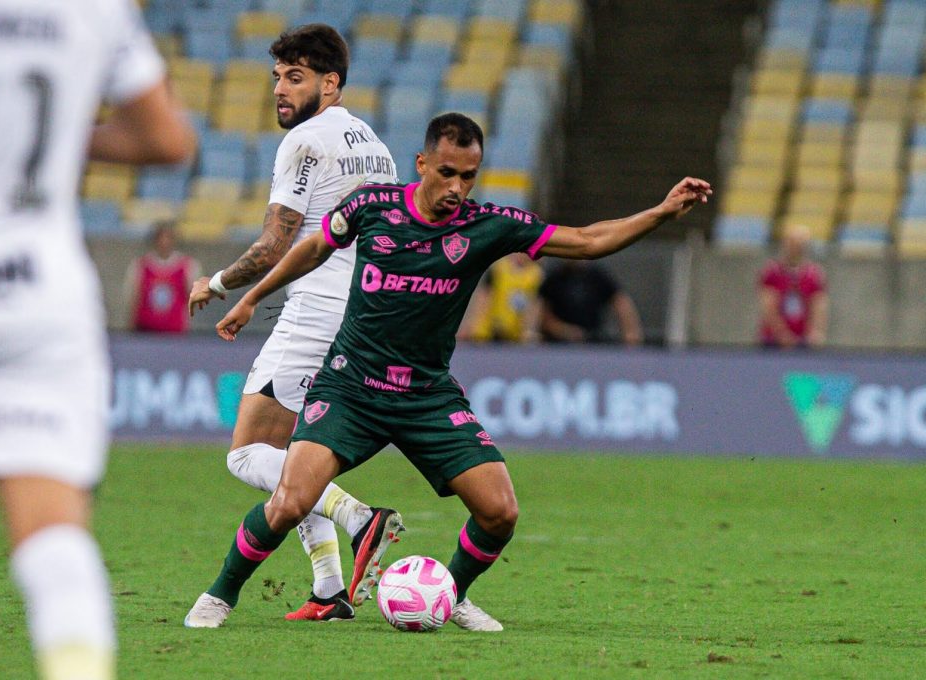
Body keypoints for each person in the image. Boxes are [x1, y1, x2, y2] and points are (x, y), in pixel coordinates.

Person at [210, 113, 711, 631]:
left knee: (501, 512)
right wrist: (251, 297)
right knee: (292, 501)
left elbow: (585, 240)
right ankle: (219, 596)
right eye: (446, 172)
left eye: (468, 176)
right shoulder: (372, 205)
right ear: (422, 163)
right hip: (351, 386)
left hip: (427, 395)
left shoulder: (487, 226)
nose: (456, 188)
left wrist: (661, 212)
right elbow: (314, 246)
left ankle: (451, 594)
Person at [0, 1, 195, 679]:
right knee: (52, 538)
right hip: (35, 302)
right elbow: (167, 141)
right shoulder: (95, 9)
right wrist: (70, 127)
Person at [183, 24, 402, 627]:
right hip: (365, 315)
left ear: (331, 83)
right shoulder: (372, 143)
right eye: (277, 77)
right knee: (290, 454)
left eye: (296, 77)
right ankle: (330, 588)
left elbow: (275, 241)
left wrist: (221, 285)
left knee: (248, 453)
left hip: (317, 312)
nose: (280, 89)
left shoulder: (306, 142)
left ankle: (360, 520)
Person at [537, 261, 643, 345]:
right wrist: (564, 331)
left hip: (593, 343)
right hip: (558, 345)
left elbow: (621, 303)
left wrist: (631, 332)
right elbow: (541, 312)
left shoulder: (598, 276)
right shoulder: (554, 277)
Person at [758, 223, 828, 349]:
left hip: (804, 340)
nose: (796, 247)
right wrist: (782, 334)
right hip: (773, 341)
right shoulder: (772, 271)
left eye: (800, 243)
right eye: (792, 242)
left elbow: (818, 305)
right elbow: (768, 306)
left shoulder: (814, 274)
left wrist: (815, 331)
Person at [124, 220, 200, 333]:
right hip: (144, 331)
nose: (164, 242)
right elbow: (133, 298)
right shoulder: (140, 265)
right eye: (161, 238)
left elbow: (194, 300)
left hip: (175, 333)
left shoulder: (188, 266)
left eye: (168, 238)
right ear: (155, 240)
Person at [458, 252, 543, 343]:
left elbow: (534, 305)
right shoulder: (498, 268)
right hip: (489, 331)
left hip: (515, 334)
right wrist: (473, 324)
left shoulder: (536, 275)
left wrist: (528, 330)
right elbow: (483, 297)